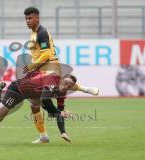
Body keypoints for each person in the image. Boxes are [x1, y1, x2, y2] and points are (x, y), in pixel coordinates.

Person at [23, 7, 99, 143]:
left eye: (30, 18)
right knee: (34, 103)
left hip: (51, 67)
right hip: (41, 69)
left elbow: (46, 54)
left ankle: (83, 89)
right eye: (26, 18)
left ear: (37, 18)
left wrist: (32, 65)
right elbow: (38, 54)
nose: (28, 21)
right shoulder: (34, 34)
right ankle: (43, 136)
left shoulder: (42, 33)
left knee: (48, 96)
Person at [0, 74, 76, 124]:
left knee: (40, 104)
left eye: (69, 86)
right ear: (61, 80)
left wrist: (63, 131)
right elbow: (46, 101)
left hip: (31, 94)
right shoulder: (52, 82)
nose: (66, 87)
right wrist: (59, 112)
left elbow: (52, 113)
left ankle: (43, 136)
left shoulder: (62, 92)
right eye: (65, 83)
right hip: (18, 89)